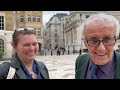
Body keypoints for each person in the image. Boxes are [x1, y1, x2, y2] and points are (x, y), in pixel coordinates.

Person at [75, 13, 120, 79]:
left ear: (115, 41)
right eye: (93, 40)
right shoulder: (80, 61)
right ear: (85, 43)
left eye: (107, 40)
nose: (101, 48)